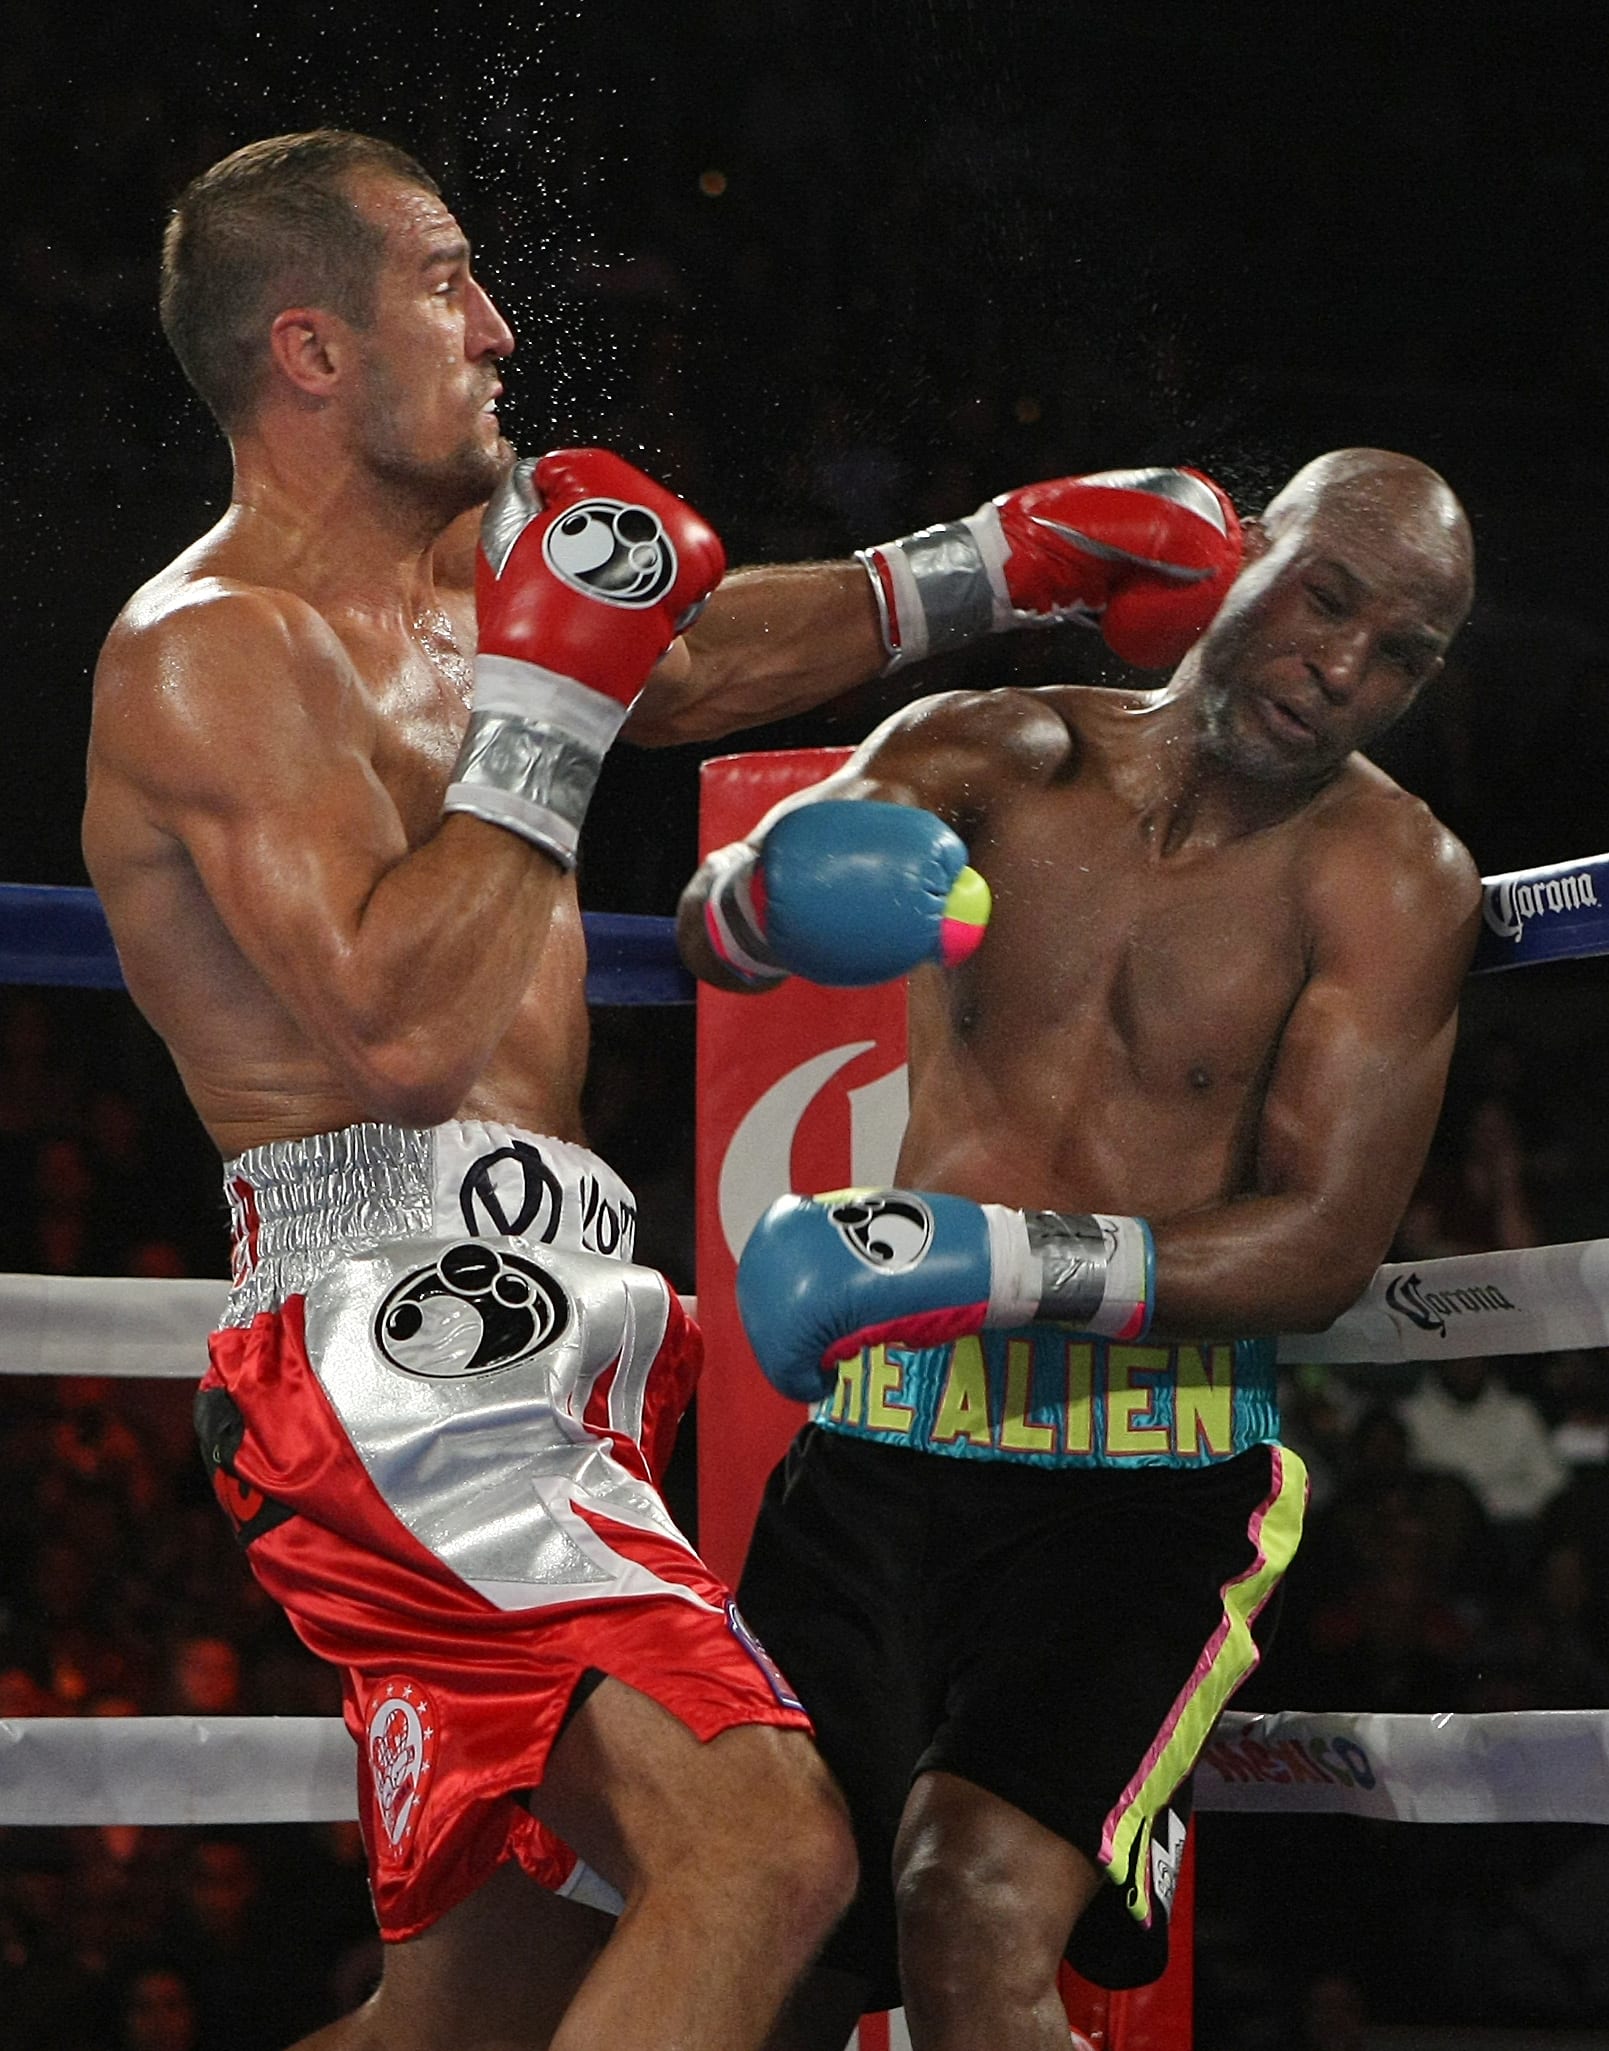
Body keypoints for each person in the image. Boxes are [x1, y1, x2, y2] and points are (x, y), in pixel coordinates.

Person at [82, 127, 1240, 2051]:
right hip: (401, 1338)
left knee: (480, 2011)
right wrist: (551, 701)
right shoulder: (210, 653)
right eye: (446, 282)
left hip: (567, 1326)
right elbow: (395, 1037)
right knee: (764, 1852)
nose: (498, 327)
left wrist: (1000, 561)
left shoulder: (461, 574)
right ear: (310, 349)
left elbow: (675, 662)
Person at [678, 447, 1481, 2050]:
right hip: (875, 1457)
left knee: (970, 1913)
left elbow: (1318, 1248)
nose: (1342, 670)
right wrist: (765, 905)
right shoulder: (994, 749)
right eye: (1324, 600)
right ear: (1239, 556)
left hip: (1143, 1493)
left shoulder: (1390, 880)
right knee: (761, 1939)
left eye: (1400, 654)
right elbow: (717, 918)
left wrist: (986, 1259)